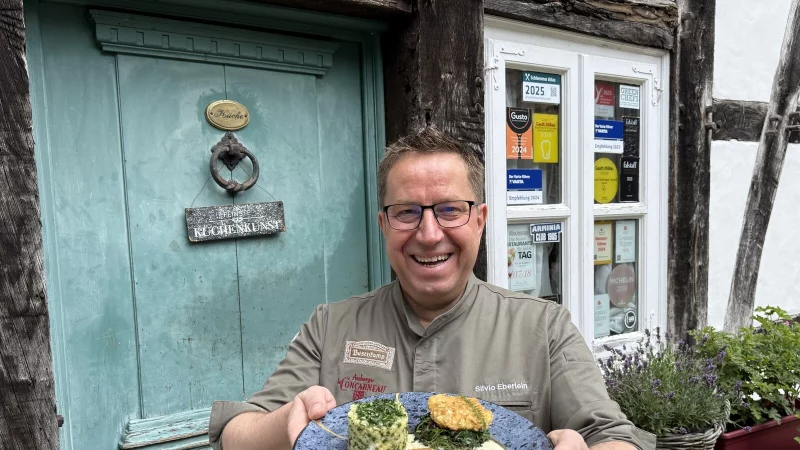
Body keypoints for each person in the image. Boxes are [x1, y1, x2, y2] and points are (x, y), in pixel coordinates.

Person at [208, 127, 655, 450]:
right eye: (406, 212)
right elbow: (234, 434)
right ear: (384, 225)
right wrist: (289, 421)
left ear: (479, 220)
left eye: (448, 210)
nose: (428, 233)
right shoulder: (331, 327)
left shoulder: (544, 327)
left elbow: (613, 437)